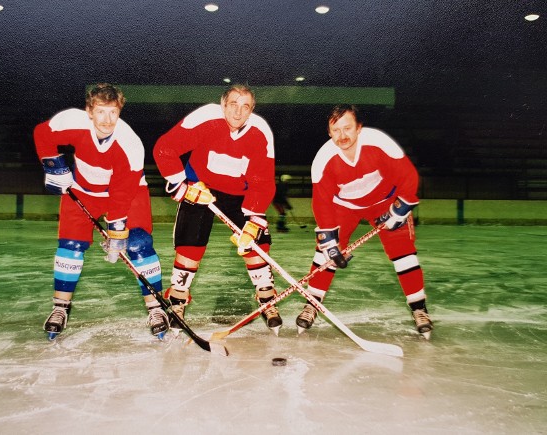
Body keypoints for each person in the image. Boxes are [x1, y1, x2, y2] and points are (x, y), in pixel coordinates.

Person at [33, 83, 168, 339]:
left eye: (113, 112)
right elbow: (43, 134)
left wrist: (116, 231)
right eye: (101, 112)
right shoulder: (73, 122)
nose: (107, 120)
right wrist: (53, 165)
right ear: (89, 111)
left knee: (138, 244)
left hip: (127, 193)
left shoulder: (130, 145)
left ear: (120, 112)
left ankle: (156, 309)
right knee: (70, 246)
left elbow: (122, 191)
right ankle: (60, 308)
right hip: (83, 190)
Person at [153, 84, 283, 335]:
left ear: (252, 110)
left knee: (255, 245)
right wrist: (181, 185)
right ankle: (178, 301)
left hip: (239, 193)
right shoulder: (205, 118)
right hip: (202, 188)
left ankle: (266, 298)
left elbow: (263, 179)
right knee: (190, 243)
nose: (238, 111)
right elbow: (165, 148)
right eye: (233, 104)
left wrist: (253, 219)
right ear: (223, 104)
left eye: (245, 106)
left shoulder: (260, 132)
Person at [297, 104, 433, 339]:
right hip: (345, 206)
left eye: (347, 128)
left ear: (359, 128)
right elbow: (322, 202)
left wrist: (399, 210)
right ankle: (312, 304)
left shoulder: (378, 142)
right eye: (336, 130)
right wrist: (330, 241)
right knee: (325, 254)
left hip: (385, 201)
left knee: (403, 252)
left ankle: (419, 309)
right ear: (329, 132)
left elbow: (408, 175)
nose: (342, 136)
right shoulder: (323, 160)